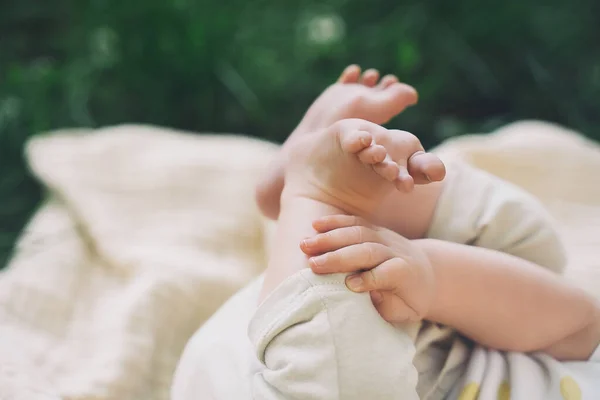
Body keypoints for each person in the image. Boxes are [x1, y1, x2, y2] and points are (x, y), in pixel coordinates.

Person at [172, 67, 597, 399]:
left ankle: (310, 193)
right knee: (522, 240)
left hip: (316, 358)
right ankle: (325, 192)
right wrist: (433, 276)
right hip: (486, 320)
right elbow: (578, 328)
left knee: (334, 327)